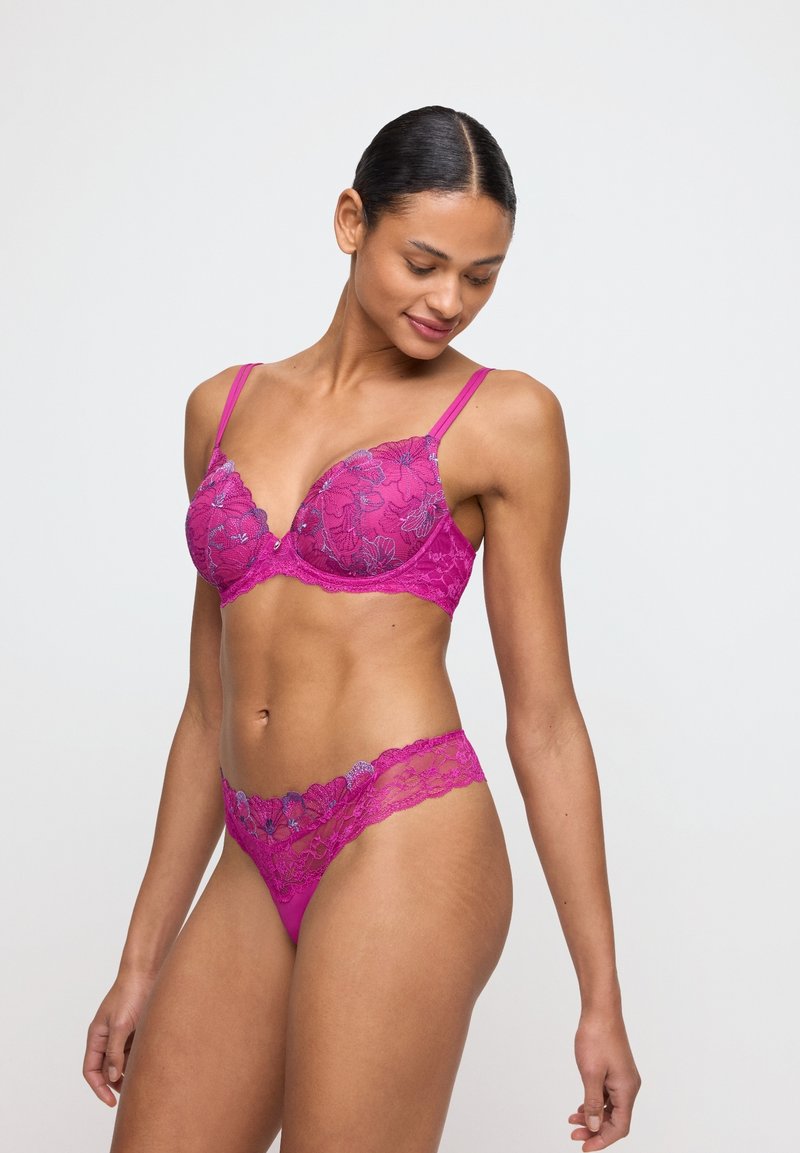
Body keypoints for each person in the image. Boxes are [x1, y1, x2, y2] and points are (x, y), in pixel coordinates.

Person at [83, 104, 641, 1153]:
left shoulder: (505, 418)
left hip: (405, 824)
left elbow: (545, 719)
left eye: (480, 276)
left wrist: (599, 994)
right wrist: (141, 957)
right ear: (351, 220)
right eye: (423, 263)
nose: (449, 301)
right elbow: (207, 709)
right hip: (253, 841)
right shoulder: (221, 407)